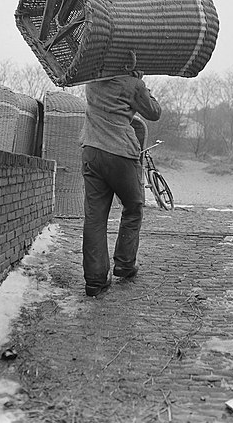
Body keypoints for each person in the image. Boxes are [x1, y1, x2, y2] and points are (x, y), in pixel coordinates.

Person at [80, 71, 162, 297]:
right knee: (133, 207)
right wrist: (143, 87)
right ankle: (125, 265)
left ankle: (95, 281)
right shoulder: (133, 85)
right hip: (120, 154)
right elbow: (154, 113)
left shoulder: (92, 80)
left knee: (95, 216)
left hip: (92, 150)